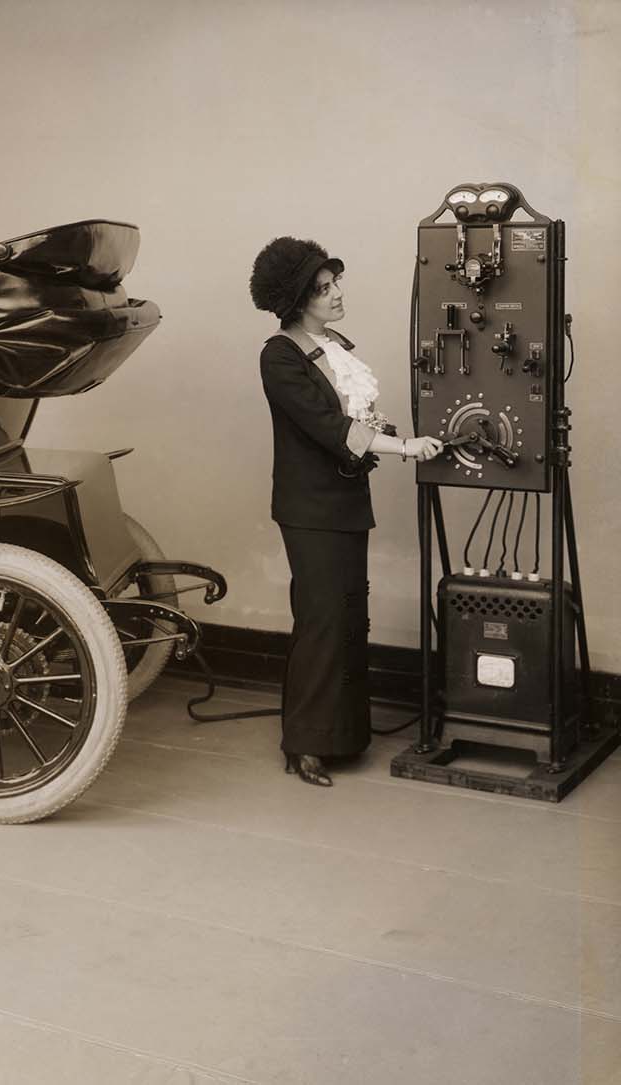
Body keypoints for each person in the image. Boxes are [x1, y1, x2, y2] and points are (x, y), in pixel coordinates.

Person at [249, 237, 442, 787]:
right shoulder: (279, 356)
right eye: (323, 289)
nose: (336, 294)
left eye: (335, 284)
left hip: (344, 500)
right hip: (310, 509)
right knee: (322, 620)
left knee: (350, 617)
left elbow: (361, 422)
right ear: (296, 300)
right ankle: (304, 743)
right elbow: (329, 427)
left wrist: (400, 437)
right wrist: (404, 448)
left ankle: (343, 735)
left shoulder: (332, 345)